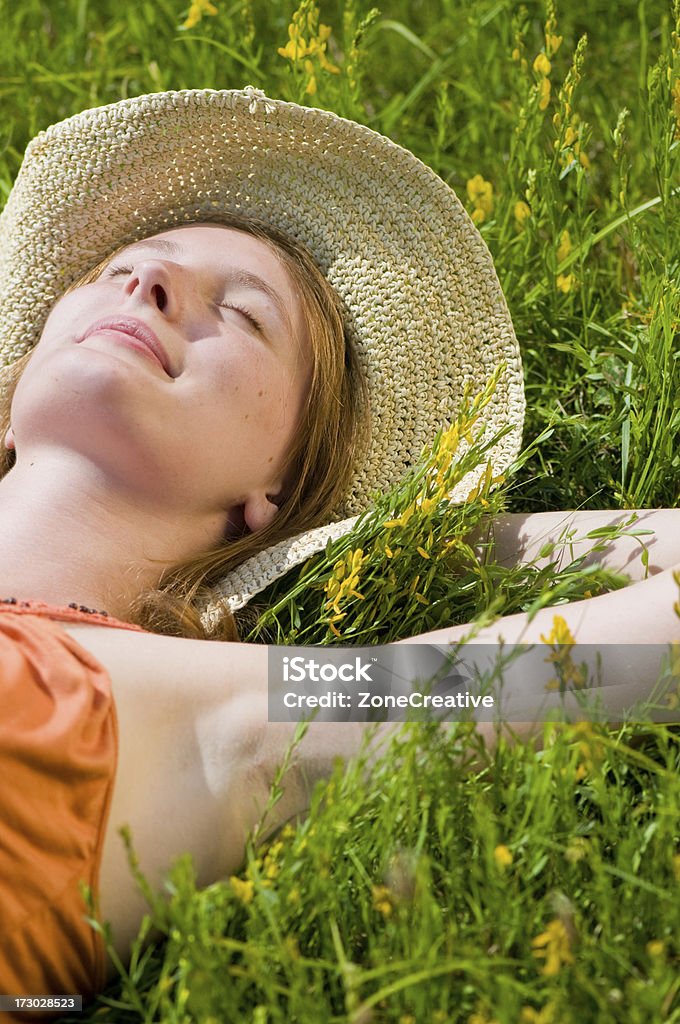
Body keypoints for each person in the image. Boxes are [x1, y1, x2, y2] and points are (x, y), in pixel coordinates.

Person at [0, 87, 677, 1011]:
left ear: (270, 492)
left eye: (239, 314)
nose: (147, 287)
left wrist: (407, 544)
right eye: (124, 268)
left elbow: (604, 658)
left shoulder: (222, 719)